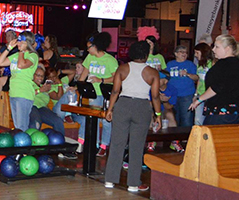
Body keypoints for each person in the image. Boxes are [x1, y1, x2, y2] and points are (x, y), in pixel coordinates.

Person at [103, 40, 161, 192]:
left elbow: (115, 91)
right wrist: (158, 115)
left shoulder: (122, 68)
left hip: (123, 105)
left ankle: (110, 180)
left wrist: (110, 109)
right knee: (136, 145)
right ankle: (133, 183)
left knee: (117, 143)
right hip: (142, 107)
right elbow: (155, 97)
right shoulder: (153, 72)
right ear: (146, 54)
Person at [189, 35, 239, 125]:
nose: (213, 49)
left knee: (208, 136)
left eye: (217, 47)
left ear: (227, 49)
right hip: (233, 110)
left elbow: (218, 87)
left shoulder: (224, 64)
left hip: (221, 111)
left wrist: (199, 100)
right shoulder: (237, 64)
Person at [77, 32, 117, 157]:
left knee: (106, 120)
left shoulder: (110, 60)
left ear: (96, 46)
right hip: (93, 94)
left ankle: (104, 145)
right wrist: (78, 85)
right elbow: (84, 73)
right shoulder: (90, 58)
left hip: (106, 94)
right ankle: (86, 143)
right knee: (90, 118)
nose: (87, 50)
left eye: (89, 47)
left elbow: (116, 78)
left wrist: (101, 80)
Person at [0, 31, 39, 131]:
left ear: (27, 43)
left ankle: (23, 146)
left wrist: (22, 51)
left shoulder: (32, 56)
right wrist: (8, 48)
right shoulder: (15, 55)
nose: (18, 44)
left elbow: (21, 65)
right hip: (14, 93)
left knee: (21, 127)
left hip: (24, 94)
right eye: (18, 41)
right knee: (17, 127)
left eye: (21, 42)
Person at [165, 46, 197, 128]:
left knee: (186, 120)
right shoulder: (170, 64)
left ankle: (186, 139)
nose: (184, 54)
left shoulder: (190, 64)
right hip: (173, 96)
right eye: (181, 52)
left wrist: (187, 74)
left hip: (186, 95)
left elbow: (196, 77)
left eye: (186, 52)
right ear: (176, 54)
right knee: (174, 119)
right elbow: (165, 78)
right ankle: (176, 139)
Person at [29, 65, 65, 134]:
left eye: (42, 76)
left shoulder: (45, 87)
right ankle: (33, 143)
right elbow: (26, 94)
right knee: (36, 123)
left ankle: (60, 143)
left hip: (42, 109)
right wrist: (40, 90)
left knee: (58, 121)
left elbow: (58, 97)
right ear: (33, 75)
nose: (40, 78)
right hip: (32, 106)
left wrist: (60, 84)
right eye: (38, 75)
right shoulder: (30, 84)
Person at [193, 43, 214, 125]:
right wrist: (195, 94)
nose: (195, 55)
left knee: (208, 118)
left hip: (209, 95)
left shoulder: (212, 64)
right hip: (200, 94)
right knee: (198, 119)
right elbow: (199, 79)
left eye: (197, 53)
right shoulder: (199, 64)